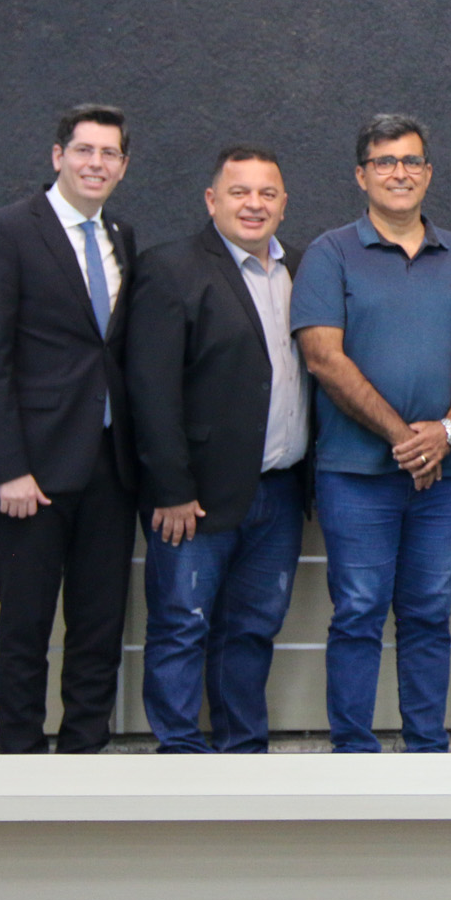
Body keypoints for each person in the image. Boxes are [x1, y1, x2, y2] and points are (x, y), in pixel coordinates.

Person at [291, 114, 451, 754]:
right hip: (355, 476)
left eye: (411, 161)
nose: (399, 173)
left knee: (429, 616)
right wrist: (410, 439)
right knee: (358, 614)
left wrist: (450, 433)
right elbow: (323, 357)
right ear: (361, 175)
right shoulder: (329, 253)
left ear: (428, 173)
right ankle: (353, 750)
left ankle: (426, 748)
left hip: (445, 478)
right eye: (384, 162)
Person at [0, 103, 139, 755]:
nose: (97, 163)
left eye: (110, 153)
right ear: (57, 154)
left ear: (124, 165)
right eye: (84, 150)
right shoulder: (5, 232)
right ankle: (20, 762)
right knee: (26, 626)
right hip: (30, 472)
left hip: (108, 466)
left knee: (98, 625)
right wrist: (7, 466)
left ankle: (84, 755)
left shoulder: (122, 233)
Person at [127, 146, 310, 753]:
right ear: (212, 200)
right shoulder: (170, 268)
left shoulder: (301, 269)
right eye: (239, 192)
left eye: (266, 193)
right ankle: (180, 755)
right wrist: (171, 489)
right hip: (197, 497)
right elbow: (150, 390)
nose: (253, 205)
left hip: (280, 491)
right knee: (182, 625)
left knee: (252, 630)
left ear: (284, 204)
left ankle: (241, 753)